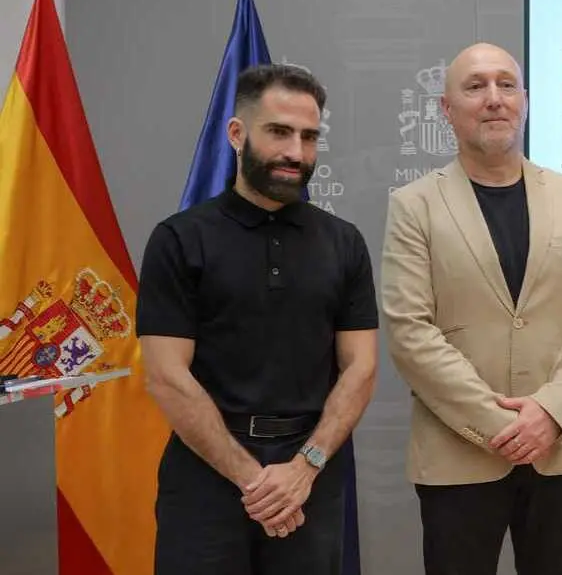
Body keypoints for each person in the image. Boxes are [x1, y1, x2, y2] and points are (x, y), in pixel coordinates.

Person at [381, 42, 562, 575]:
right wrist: (499, 425)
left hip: (561, 448)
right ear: (446, 108)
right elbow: (410, 332)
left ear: (525, 101)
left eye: (506, 85)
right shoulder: (414, 205)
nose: (494, 99)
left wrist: (550, 413)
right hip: (459, 455)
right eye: (475, 86)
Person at [136, 64, 379, 575]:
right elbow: (165, 376)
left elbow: (360, 369)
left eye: (309, 137)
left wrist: (302, 470)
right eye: (279, 132)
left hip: (311, 477)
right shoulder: (179, 240)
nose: (296, 152)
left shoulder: (344, 243)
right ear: (237, 134)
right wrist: (255, 480)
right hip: (205, 479)